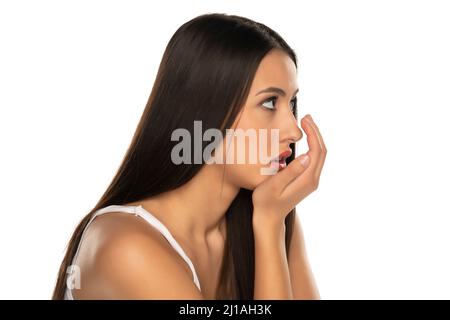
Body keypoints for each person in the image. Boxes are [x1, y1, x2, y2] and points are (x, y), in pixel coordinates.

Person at [52, 13, 327, 300]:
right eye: (270, 102)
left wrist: (273, 223)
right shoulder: (126, 245)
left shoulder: (269, 215)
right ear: (207, 111)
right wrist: (270, 226)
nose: (294, 131)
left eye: (291, 102)